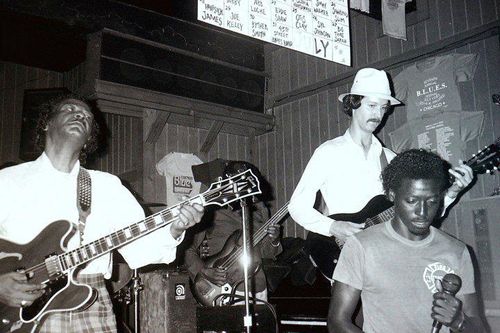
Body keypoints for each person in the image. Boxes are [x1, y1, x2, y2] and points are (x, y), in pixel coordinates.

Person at [0, 94, 204, 332]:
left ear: (88, 141)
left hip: (90, 305)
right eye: (70, 109)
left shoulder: (107, 186)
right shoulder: (7, 181)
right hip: (19, 310)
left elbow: (139, 251)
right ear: (46, 123)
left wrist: (175, 228)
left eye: (87, 116)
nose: (80, 115)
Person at [288, 68, 473, 279]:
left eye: (383, 108)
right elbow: (297, 206)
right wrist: (333, 226)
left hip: (390, 259)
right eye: (371, 106)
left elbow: (417, 213)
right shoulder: (328, 152)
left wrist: (452, 192)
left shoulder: (391, 159)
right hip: (346, 256)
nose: (378, 115)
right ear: (353, 104)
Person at [327, 149, 486, 333]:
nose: (422, 212)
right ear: (393, 195)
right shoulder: (361, 246)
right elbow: (337, 322)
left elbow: (478, 328)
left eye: (432, 201)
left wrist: (459, 322)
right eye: (412, 201)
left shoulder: (457, 252)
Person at [184, 160, 282, 304]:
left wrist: (274, 240)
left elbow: (267, 254)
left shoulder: (261, 209)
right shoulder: (212, 208)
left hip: (257, 287)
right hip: (221, 288)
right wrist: (203, 271)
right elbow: (187, 248)